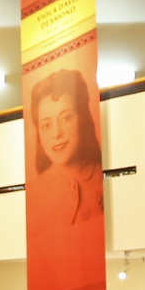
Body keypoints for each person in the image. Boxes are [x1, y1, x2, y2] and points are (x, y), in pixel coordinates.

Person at [28, 68, 104, 225]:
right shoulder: (34, 193)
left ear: (82, 118)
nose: (56, 133)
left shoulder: (104, 181)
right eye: (46, 125)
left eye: (66, 118)